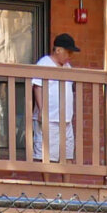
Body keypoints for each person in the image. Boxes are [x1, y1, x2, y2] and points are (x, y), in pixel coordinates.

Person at [32, 33, 80, 165]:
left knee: (67, 155)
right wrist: (42, 109)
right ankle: (48, 184)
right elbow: (37, 87)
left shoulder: (67, 67)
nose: (70, 56)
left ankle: (67, 184)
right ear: (58, 50)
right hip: (49, 118)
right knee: (46, 155)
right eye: (68, 52)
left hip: (65, 119)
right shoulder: (44, 63)